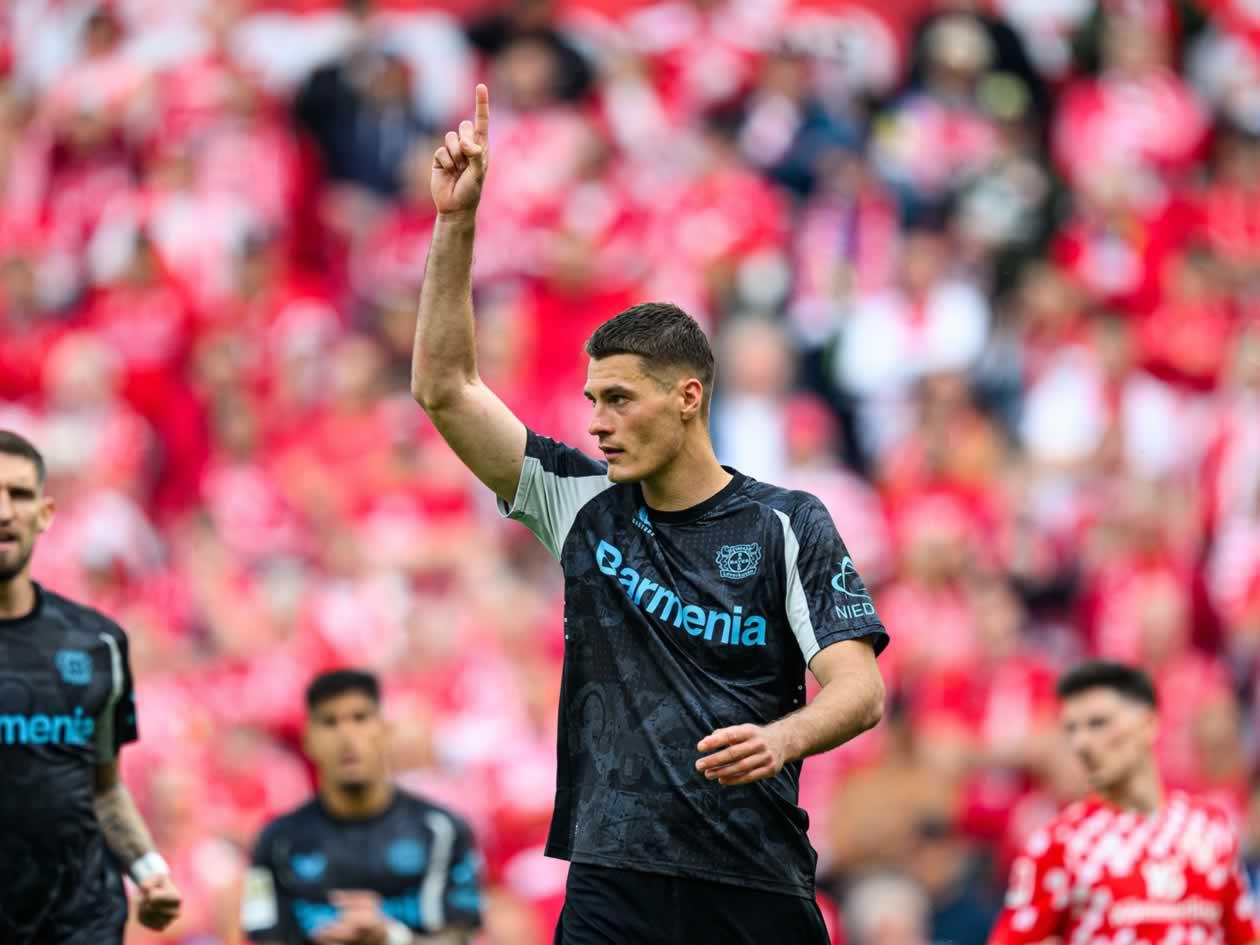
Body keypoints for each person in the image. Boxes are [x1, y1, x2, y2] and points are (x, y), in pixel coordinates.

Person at [410, 85, 889, 945]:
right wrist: (455, 223)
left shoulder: (786, 522)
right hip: (613, 879)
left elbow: (860, 690)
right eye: (592, 399)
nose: (596, 422)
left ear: (688, 397)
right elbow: (445, 389)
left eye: (620, 398)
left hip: (752, 873)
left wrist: (784, 740)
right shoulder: (582, 506)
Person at [0, 429, 182, 943]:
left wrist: (149, 871)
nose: (3, 512)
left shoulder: (98, 644)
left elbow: (103, 787)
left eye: (19, 494)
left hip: (80, 920)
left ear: (45, 514)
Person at [989, 660, 1260, 945]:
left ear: (1148, 724)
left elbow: (1245, 936)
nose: (1083, 743)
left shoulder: (1209, 829)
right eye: (1072, 730)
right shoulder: (1060, 843)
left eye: (1098, 723)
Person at [241, 669, 482, 945]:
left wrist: (392, 938)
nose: (347, 737)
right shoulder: (275, 841)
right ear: (308, 740)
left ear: (385, 732)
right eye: (330, 722)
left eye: (360, 718)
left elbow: (460, 936)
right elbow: (263, 938)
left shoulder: (443, 831)